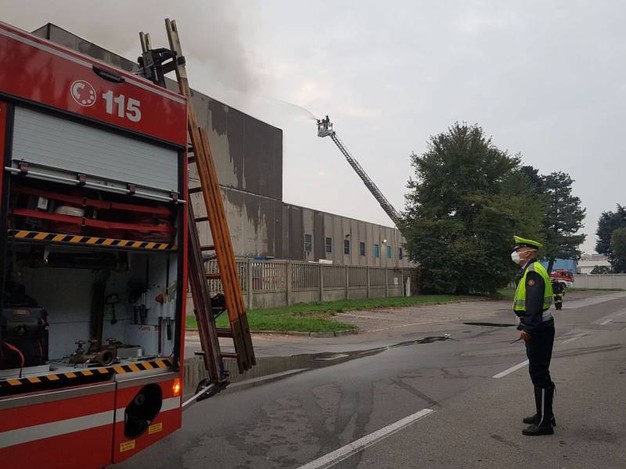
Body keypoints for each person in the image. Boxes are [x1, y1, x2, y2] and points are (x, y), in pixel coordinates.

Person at [511, 235, 556, 436]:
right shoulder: (532, 270)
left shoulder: (533, 273)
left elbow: (534, 305)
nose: (516, 253)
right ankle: (545, 415)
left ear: (528, 252)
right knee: (539, 373)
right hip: (541, 326)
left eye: (518, 249)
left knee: (539, 374)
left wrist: (528, 329)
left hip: (539, 329)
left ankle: (544, 423)